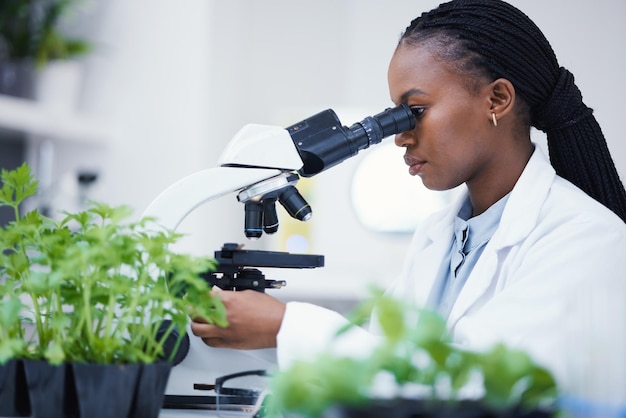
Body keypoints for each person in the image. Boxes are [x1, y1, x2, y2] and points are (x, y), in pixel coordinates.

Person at [191, 0, 626, 407]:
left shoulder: (585, 240)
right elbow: (385, 362)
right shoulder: (441, 235)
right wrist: (265, 335)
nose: (400, 135)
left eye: (414, 110)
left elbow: (474, 388)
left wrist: (286, 326)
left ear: (497, 100)